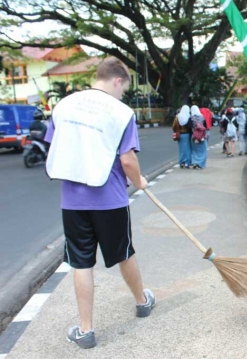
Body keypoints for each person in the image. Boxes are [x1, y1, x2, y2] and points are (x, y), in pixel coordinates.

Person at [44, 58, 155, 350]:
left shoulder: (64, 106)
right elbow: (127, 159)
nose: (123, 95)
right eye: (124, 89)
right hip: (110, 200)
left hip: (72, 201)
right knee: (123, 253)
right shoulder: (121, 112)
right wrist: (140, 181)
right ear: (118, 80)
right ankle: (142, 302)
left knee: (81, 261)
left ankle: (86, 331)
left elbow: (56, 148)